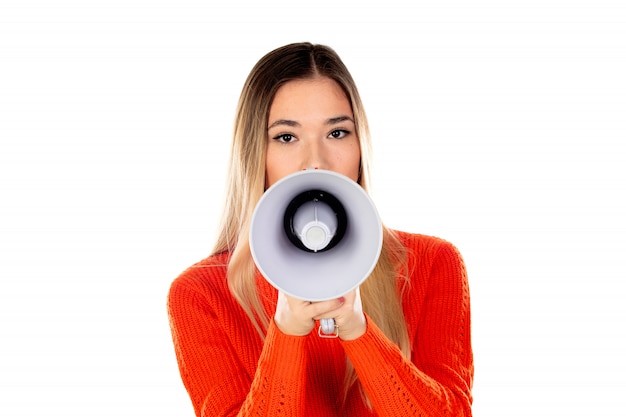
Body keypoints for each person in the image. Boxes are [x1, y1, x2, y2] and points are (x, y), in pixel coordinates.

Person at [167, 42, 473, 416]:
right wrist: (287, 332)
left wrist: (358, 331)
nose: (316, 162)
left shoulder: (432, 264)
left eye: (337, 133)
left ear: (361, 145)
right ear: (254, 154)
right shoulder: (201, 295)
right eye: (286, 137)